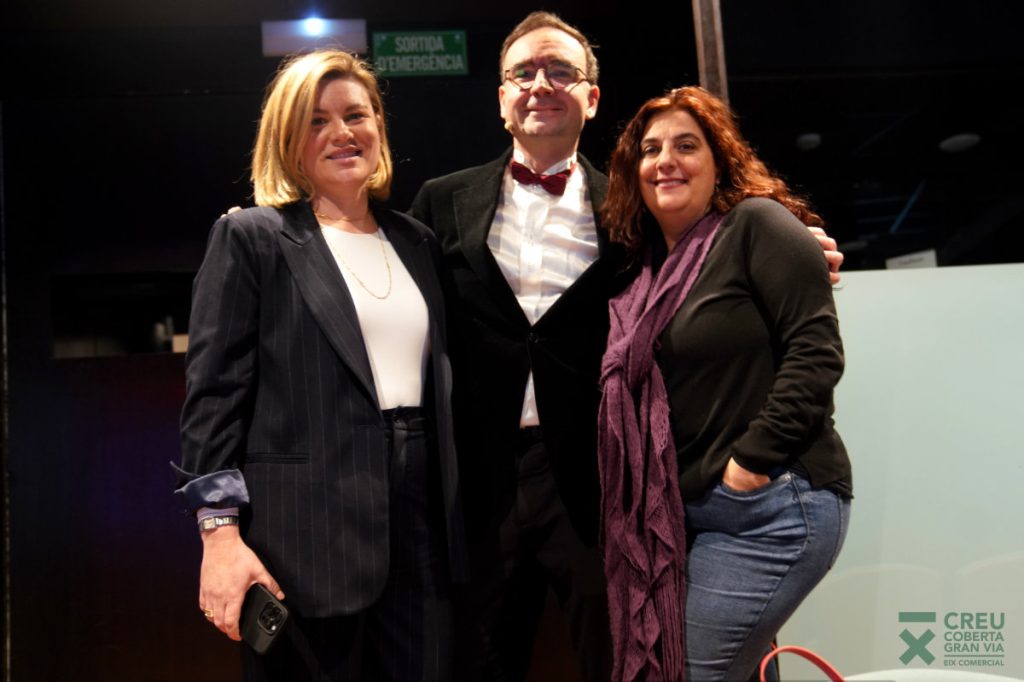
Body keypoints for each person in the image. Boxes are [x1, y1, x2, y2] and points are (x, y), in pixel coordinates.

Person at [410, 12, 844, 681]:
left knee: (624, 658)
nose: (540, 84)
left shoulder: (631, 207)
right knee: (480, 660)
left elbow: (707, 249)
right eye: (523, 73)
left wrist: (803, 248)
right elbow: (385, 286)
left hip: (600, 480)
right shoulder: (440, 203)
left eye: (560, 71)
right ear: (501, 98)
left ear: (591, 97)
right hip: (480, 484)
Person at [174, 49, 465, 681]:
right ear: (287, 140)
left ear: (378, 126)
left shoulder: (417, 242)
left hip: (421, 537)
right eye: (316, 121)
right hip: (303, 545)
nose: (341, 133)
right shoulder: (252, 237)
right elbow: (213, 399)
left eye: (356, 115)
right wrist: (219, 535)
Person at [598, 85, 853, 681]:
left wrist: (749, 466)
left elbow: (816, 354)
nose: (666, 160)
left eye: (687, 146)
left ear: (720, 161)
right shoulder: (645, 272)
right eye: (651, 149)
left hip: (771, 505)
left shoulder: (755, 223)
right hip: (693, 515)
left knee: (691, 672)